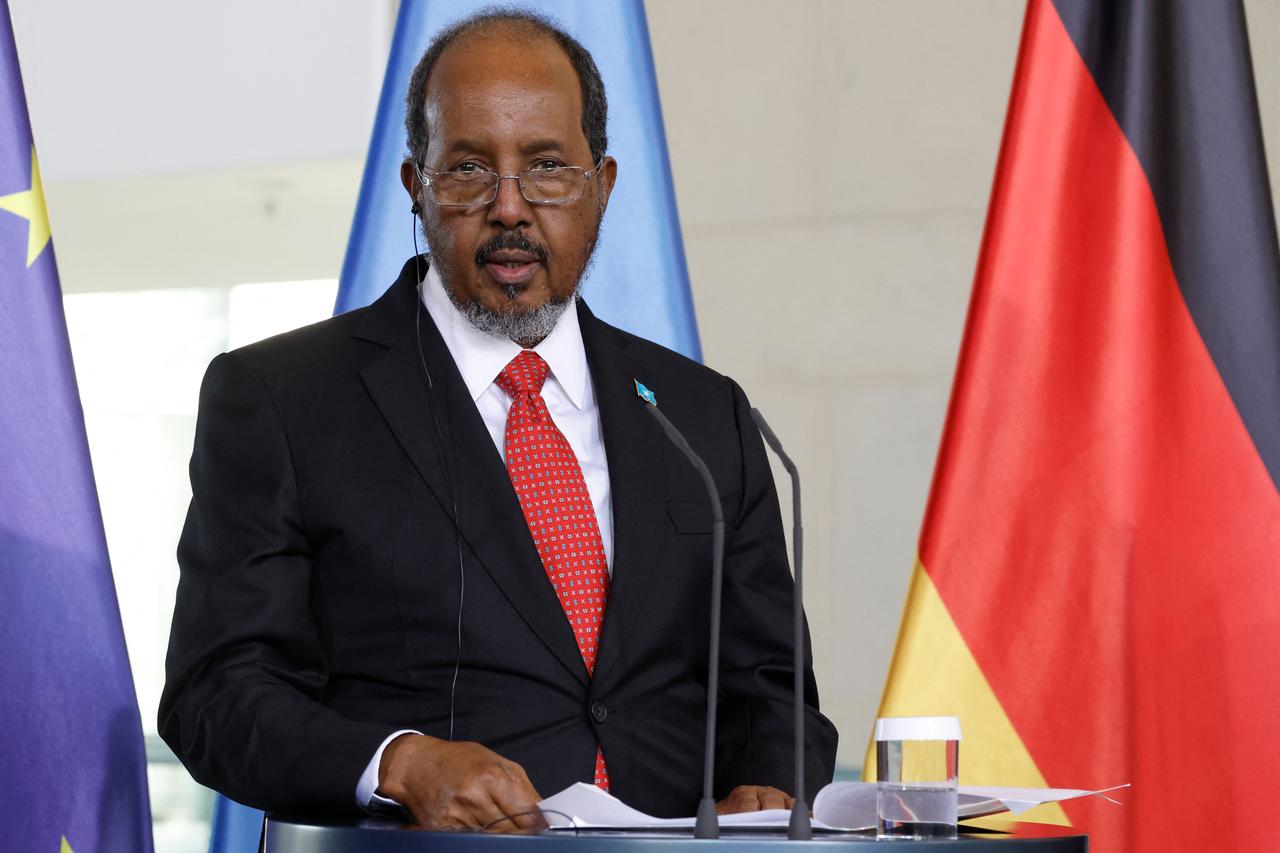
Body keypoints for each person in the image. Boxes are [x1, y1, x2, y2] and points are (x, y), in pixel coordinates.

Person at [159, 9, 837, 832]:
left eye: (548, 167)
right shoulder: (280, 398)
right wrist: (399, 762)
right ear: (416, 186)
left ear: (603, 186)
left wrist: (770, 781)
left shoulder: (701, 413)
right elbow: (217, 694)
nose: (510, 207)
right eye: (470, 169)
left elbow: (772, 685)